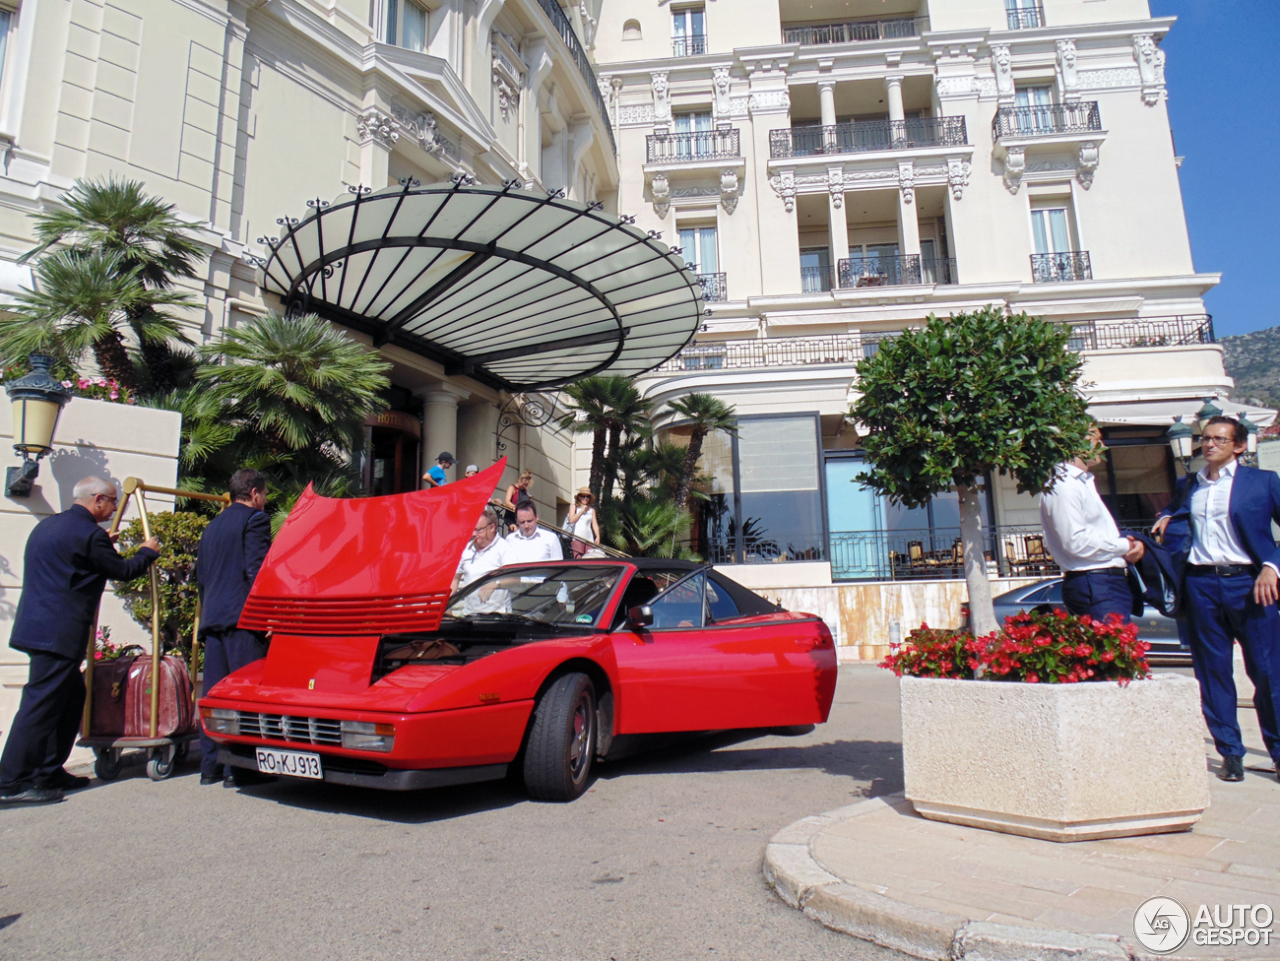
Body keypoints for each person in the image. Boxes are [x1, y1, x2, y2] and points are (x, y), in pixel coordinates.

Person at [0, 477, 160, 806]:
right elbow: (124, 570)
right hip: (59, 633)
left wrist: (102, 544)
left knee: (72, 697)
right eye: (113, 501)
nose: (115, 507)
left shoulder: (50, 527)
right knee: (39, 706)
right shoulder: (89, 536)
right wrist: (147, 552)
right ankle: (11, 781)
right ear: (98, 499)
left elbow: (76, 565)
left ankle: (48, 771)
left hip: (38, 628)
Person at [1153, 415, 1280, 783]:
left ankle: (1277, 752)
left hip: (1250, 585)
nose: (1209, 445)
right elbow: (1176, 511)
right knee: (1213, 674)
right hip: (1201, 585)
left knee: (1269, 673)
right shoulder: (1188, 485)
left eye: (1219, 439)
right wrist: (1165, 515)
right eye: (1205, 439)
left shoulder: (1263, 482)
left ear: (1239, 446)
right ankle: (1231, 753)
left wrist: (1272, 566)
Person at [195, 469, 272, 786]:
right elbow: (257, 571)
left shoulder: (212, 526)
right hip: (243, 618)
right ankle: (240, 768)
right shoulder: (255, 520)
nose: (265, 501)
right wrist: (267, 615)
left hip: (213, 618)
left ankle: (211, 765)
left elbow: (201, 576)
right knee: (246, 693)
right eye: (265, 495)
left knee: (215, 694)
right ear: (254, 493)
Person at [1039, 424, 1145, 622]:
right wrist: (1124, 545)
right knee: (1114, 651)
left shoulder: (1079, 482)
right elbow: (1075, 542)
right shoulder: (1064, 484)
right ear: (1077, 441)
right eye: (1097, 439)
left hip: (1102, 582)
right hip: (1096, 582)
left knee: (1120, 650)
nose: (1103, 446)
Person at [453, 507, 510, 614]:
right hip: (470, 615)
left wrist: (493, 584)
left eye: (478, 530)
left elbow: (515, 578)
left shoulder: (503, 548)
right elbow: (455, 580)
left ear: (492, 527)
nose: (474, 534)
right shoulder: (467, 550)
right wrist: (446, 605)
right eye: (472, 530)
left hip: (497, 616)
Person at [567, 488, 600, 558]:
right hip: (577, 537)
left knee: (590, 559)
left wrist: (597, 536)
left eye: (588, 497)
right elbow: (571, 520)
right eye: (583, 496)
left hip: (589, 539)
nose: (586, 498)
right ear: (579, 497)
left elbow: (594, 524)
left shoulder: (591, 510)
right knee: (578, 559)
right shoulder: (574, 507)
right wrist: (582, 511)